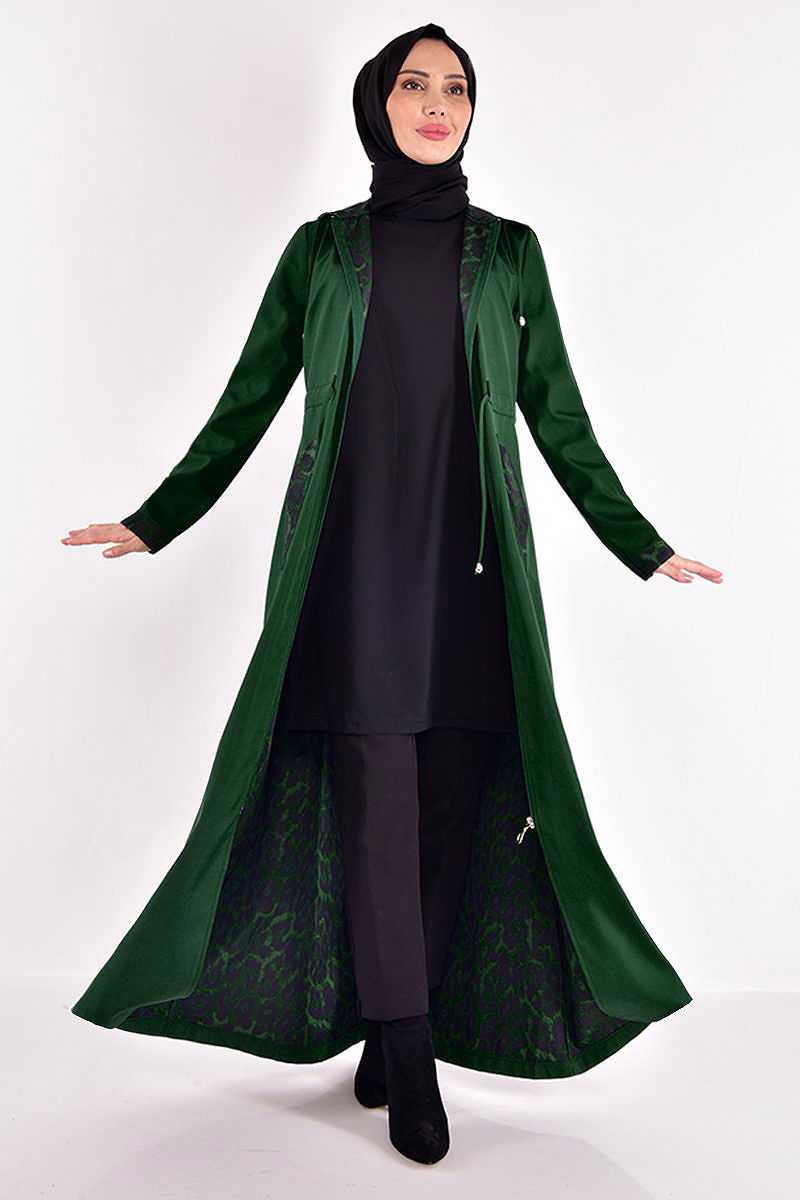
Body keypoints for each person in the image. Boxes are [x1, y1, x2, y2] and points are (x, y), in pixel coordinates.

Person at [64, 23, 722, 1169]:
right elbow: (249, 398)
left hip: (472, 580)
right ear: (376, 104)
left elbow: (556, 416)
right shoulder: (321, 251)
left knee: (448, 808)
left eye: (453, 87)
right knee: (376, 805)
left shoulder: (509, 255)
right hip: (354, 572)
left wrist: (639, 543)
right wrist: (156, 518)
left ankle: (387, 1023)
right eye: (413, 84)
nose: (434, 103)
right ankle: (410, 1061)